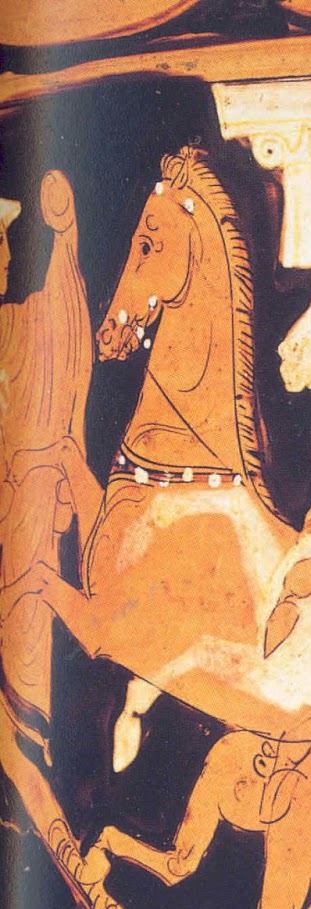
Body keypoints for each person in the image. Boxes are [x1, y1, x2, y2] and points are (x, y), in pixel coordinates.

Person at [0, 171, 93, 730]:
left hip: (22, 516)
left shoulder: (18, 325)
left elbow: (61, 318)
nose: (8, 255)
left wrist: (65, 235)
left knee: (26, 639)